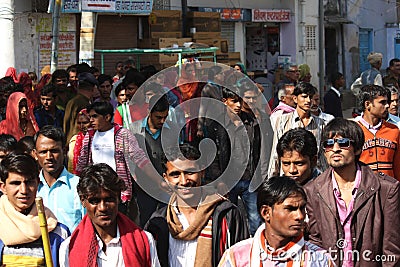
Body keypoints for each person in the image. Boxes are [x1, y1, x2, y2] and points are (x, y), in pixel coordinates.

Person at [305, 118, 400, 266]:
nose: (335, 149)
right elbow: (316, 241)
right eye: (328, 145)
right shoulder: (313, 190)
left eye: (343, 143)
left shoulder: (386, 189)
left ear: (357, 149)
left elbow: (392, 250)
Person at [145, 144, 249, 267]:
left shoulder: (227, 215)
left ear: (202, 172)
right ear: (166, 179)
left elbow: (242, 258)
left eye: (190, 172)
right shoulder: (158, 222)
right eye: (175, 174)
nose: (183, 181)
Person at [218, 176, 335, 267]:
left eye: (302, 208)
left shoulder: (320, 260)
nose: (299, 216)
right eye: (290, 209)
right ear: (266, 213)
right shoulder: (236, 257)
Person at [59, 163, 160, 267]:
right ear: (83, 201)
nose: (102, 208)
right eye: (94, 201)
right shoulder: (68, 248)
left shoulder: (144, 241)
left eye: (109, 200)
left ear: (119, 198)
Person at [76, 101, 162, 222]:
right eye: (90, 117)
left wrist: (159, 181)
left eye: (95, 116)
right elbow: (82, 163)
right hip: (95, 188)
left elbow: (139, 158)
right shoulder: (90, 135)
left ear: (107, 117)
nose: (91, 120)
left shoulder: (122, 134)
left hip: (117, 190)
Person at [0, 153, 70, 266]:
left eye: (29, 182)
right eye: (16, 183)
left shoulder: (58, 232)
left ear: (38, 183)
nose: (23, 190)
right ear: (3, 187)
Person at [129, 95, 177, 227]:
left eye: (165, 117)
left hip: (166, 185)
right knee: (144, 221)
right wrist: (135, 178)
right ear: (149, 111)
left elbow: (176, 156)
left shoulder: (172, 130)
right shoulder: (134, 130)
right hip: (143, 185)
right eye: (158, 117)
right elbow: (129, 158)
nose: (162, 121)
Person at [35, 126, 84, 232]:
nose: (49, 157)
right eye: (43, 152)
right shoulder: (30, 187)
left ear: (64, 151)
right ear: (35, 154)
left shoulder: (79, 186)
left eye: (54, 151)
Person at [270, 82, 326, 176]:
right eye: (304, 97)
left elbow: (322, 156)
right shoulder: (283, 121)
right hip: (289, 176)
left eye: (310, 97)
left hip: (313, 177)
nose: (308, 100)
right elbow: (276, 153)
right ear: (295, 99)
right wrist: (272, 178)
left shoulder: (321, 123)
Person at [354, 84, 400, 180]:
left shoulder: (394, 130)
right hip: (363, 189)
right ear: (367, 105)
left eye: (387, 102)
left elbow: (398, 165)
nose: (387, 106)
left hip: (389, 189)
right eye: (382, 102)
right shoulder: (353, 130)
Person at [63, 72, 97, 143]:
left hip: (70, 141)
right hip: (79, 143)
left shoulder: (72, 101)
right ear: (93, 88)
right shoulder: (84, 104)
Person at [67, 108, 90, 174]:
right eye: (79, 123)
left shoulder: (96, 139)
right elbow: (71, 163)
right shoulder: (75, 140)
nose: (82, 126)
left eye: (85, 123)